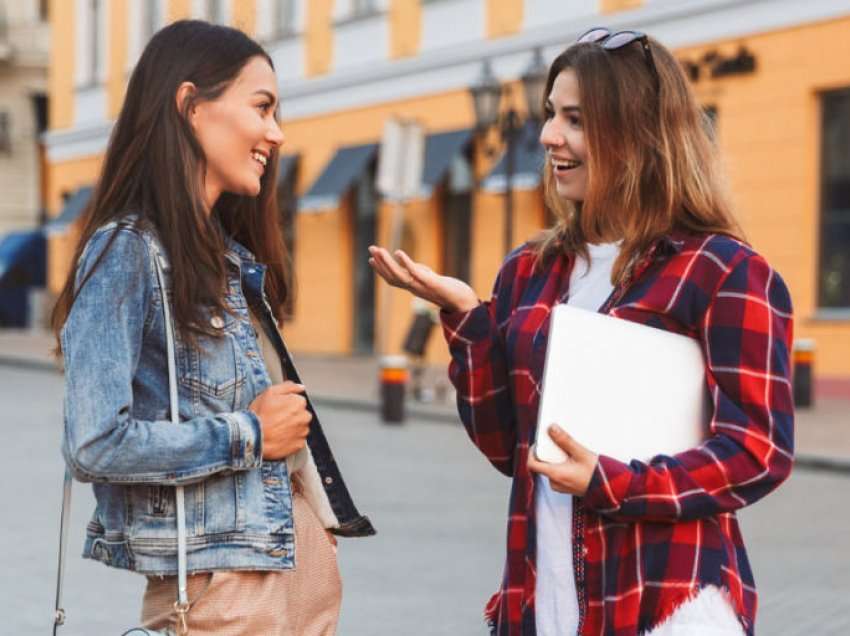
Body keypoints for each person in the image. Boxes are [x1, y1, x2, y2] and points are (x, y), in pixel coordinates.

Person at [369, 27, 793, 636]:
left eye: (575, 118)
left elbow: (758, 452)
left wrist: (615, 483)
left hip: (666, 603)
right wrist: (469, 321)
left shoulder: (723, 271)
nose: (548, 136)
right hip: (542, 600)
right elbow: (505, 447)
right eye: (549, 115)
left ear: (639, 134)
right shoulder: (528, 270)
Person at [53, 20, 373, 635]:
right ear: (191, 105)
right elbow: (93, 442)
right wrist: (248, 433)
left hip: (292, 576)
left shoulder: (227, 260)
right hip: (222, 592)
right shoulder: (127, 251)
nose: (275, 134)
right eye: (262, 107)